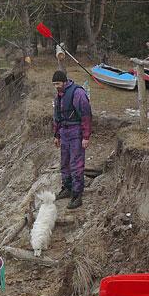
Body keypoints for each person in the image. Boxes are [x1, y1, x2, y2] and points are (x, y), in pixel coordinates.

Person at [52, 70, 92, 209]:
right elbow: (57, 117)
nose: (56, 86)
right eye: (54, 84)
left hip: (76, 133)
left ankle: (77, 195)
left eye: (58, 83)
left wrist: (85, 136)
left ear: (64, 82)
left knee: (76, 165)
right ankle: (67, 188)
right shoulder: (58, 96)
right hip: (64, 133)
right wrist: (56, 135)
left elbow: (86, 115)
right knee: (65, 163)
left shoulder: (78, 93)